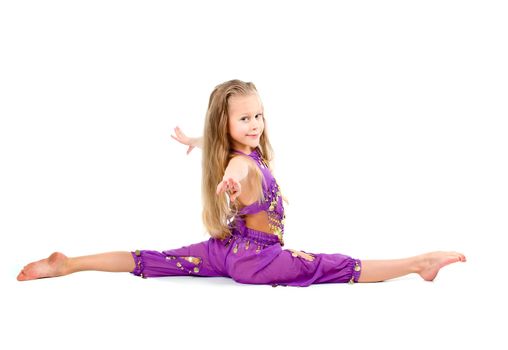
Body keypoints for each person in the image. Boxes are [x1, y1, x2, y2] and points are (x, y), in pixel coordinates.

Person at [17, 79, 466, 286]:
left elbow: (227, 153)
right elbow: (238, 172)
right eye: (245, 118)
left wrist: (197, 138)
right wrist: (228, 184)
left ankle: (70, 263)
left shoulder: (234, 149)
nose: (255, 124)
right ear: (227, 124)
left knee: (152, 259)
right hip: (257, 261)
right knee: (334, 264)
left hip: (226, 249)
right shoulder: (241, 166)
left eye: (258, 115)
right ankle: (418, 263)